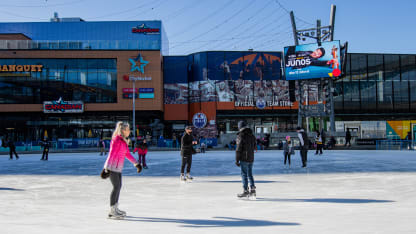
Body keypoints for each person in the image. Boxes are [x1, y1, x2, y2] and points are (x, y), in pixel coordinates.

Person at [102, 122, 141, 219]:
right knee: (116, 187)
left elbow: (127, 154)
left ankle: (115, 208)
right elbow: (111, 153)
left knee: (118, 187)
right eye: (128, 129)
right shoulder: (116, 140)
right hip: (112, 167)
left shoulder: (123, 141)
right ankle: (112, 211)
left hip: (118, 167)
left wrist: (136, 163)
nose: (129, 131)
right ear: (123, 130)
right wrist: (107, 168)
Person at [235, 120, 257, 198]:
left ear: (240, 127)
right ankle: (253, 189)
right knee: (250, 174)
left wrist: (237, 160)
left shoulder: (241, 135)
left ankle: (245, 191)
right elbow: (255, 146)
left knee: (244, 174)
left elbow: (238, 149)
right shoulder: (252, 135)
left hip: (244, 158)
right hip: (251, 158)